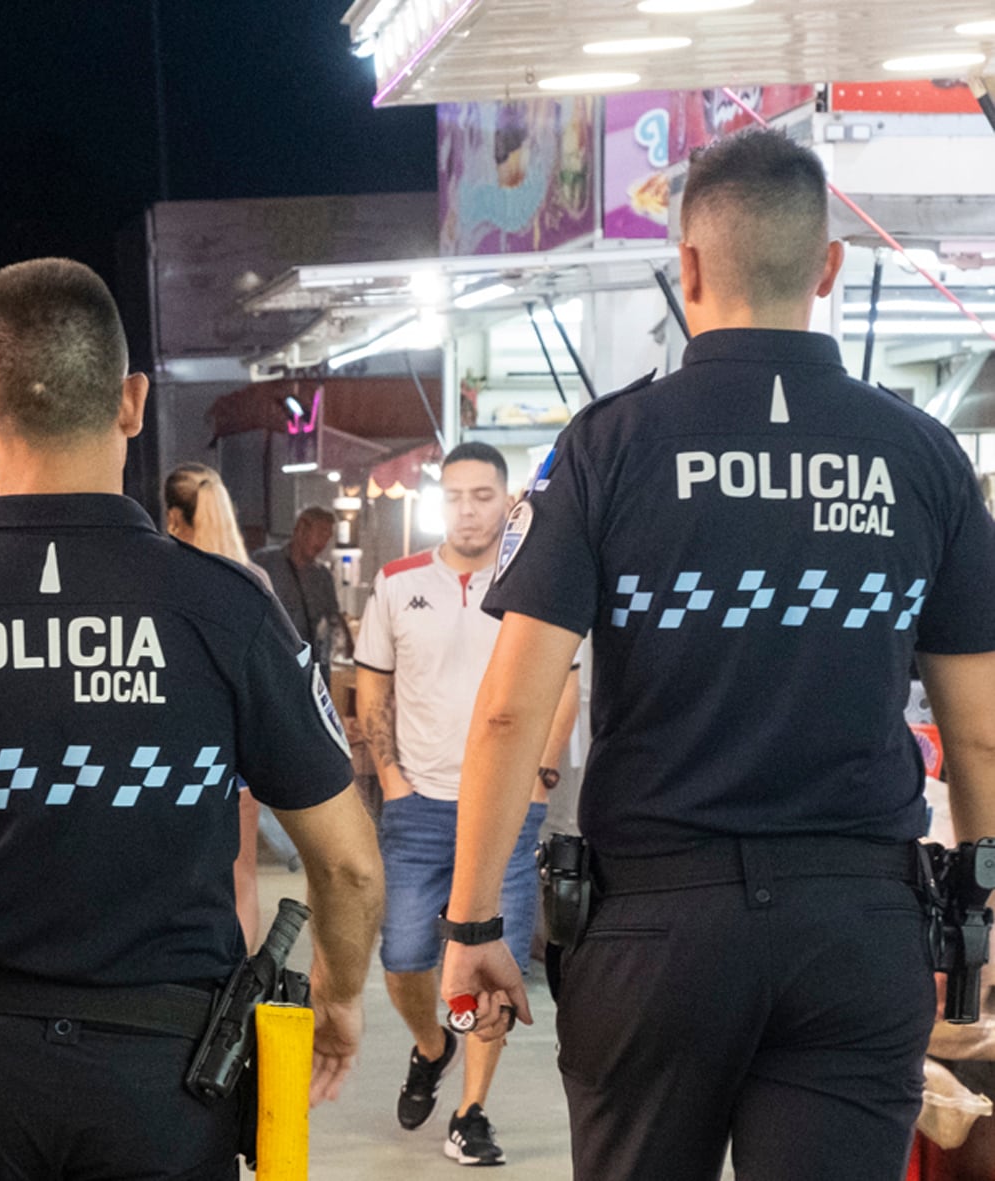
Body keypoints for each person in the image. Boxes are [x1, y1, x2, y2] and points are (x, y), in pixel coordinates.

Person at [441, 129, 995, 1181]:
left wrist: (471, 915)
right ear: (826, 265)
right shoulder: (919, 454)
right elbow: (976, 724)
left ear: (685, 266)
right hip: (857, 922)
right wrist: (981, 908)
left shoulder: (605, 448)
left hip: (653, 929)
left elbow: (513, 708)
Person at [0, 257, 384, 1180]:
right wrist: (339, 998)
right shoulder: (228, 608)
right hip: (166, 1073)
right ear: (133, 401)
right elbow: (345, 859)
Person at [354, 442, 580, 1167]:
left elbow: (566, 683)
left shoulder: (537, 578)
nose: (469, 508)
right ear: (438, 500)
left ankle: (471, 1111)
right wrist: (390, 777)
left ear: (508, 502)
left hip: (510, 809)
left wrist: (541, 773)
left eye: (484, 495)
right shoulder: (396, 583)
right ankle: (430, 1046)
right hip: (418, 805)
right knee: (405, 957)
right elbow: (372, 685)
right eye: (455, 495)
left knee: (498, 960)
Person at [162, 462, 267, 952]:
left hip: (176, 754)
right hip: (240, 753)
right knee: (243, 879)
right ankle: (242, 996)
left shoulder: (162, 576)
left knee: (177, 878)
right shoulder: (254, 580)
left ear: (174, 518)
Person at [253, 506, 354, 674]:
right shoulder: (264, 563)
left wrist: (349, 643)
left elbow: (332, 615)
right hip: (268, 661)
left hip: (304, 664)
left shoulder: (322, 576)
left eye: (328, 537)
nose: (324, 543)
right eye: (320, 533)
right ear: (301, 529)